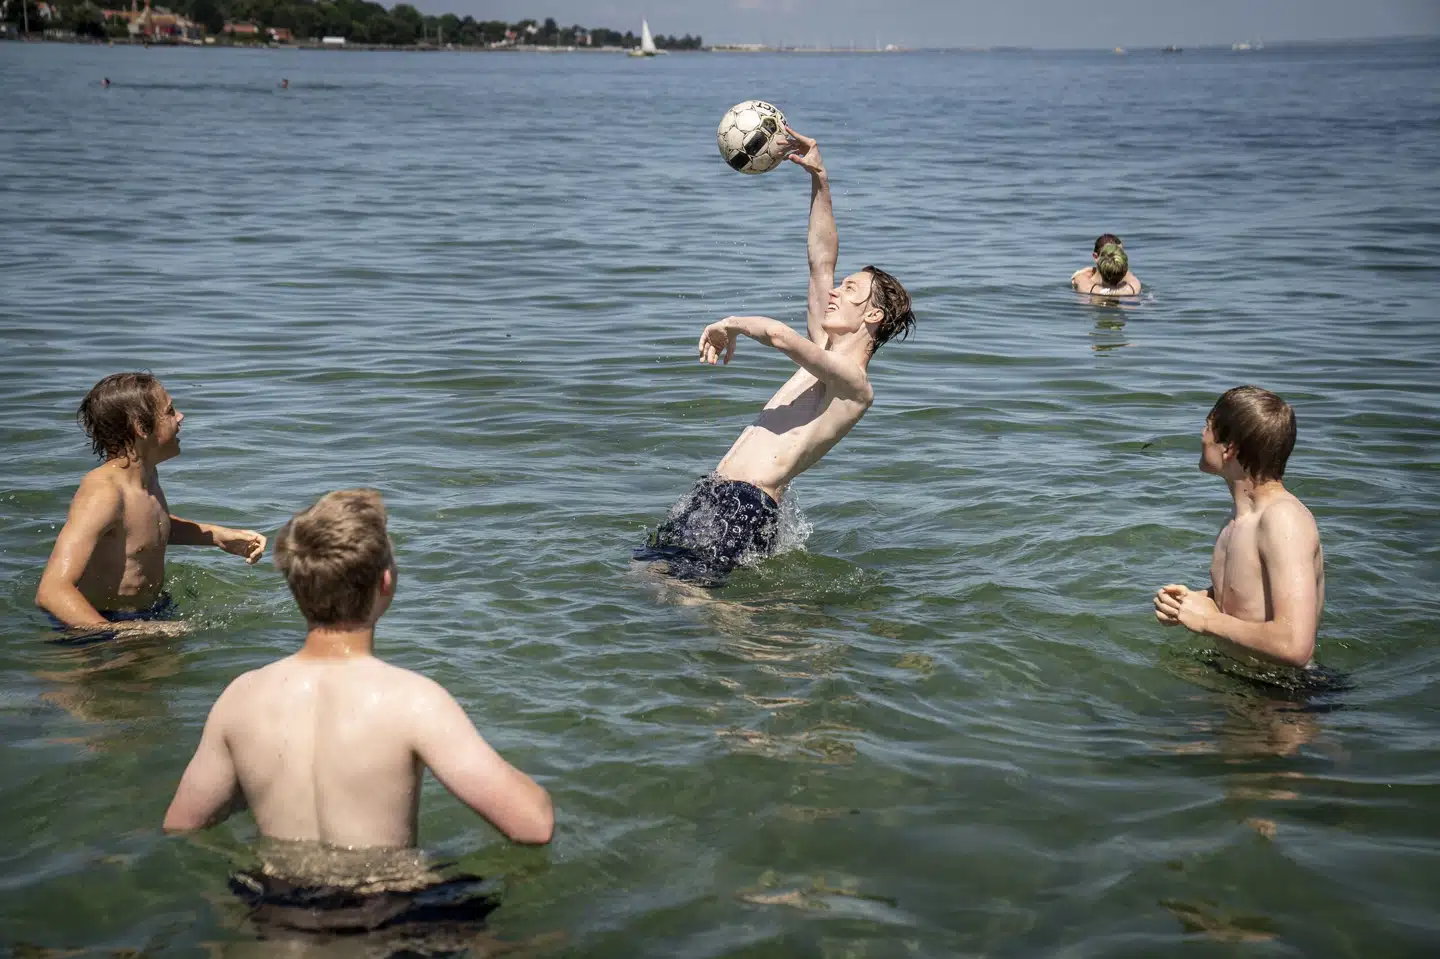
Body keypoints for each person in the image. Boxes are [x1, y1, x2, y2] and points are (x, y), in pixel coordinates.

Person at [163, 488, 554, 852]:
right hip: (383, 907)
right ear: (386, 583)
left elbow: (182, 824)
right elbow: (533, 825)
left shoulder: (241, 698)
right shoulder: (413, 701)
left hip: (273, 905)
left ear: (296, 586)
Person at [633, 125, 915, 584]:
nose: (836, 290)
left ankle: (776, 653)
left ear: (873, 317)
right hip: (717, 491)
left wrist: (731, 323)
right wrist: (819, 178)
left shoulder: (853, 385)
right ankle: (773, 639)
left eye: (850, 290)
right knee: (644, 577)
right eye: (841, 285)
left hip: (745, 502)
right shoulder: (827, 350)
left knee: (690, 597)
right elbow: (821, 258)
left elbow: (781, 337)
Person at [36, 373, 267, 636]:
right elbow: (52, 591)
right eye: (169, 411)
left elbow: (145, 527)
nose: (180, 416)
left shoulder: (146, 475)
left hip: (147, 614)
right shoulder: (104, 493)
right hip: (97, 627)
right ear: (141, 427)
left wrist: (215, 536)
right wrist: (124, 631)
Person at [1154, 386, 1325, 669]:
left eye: (1207, 427)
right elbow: (1249, 597)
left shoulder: (1283, 519)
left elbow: (1295, 645)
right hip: (1239, 678)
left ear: (1229, 447)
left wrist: (1208, 620)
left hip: (1285, 699)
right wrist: (1192, 602)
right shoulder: (1239, 518)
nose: (1201, 435)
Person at [1072, 233, 1142, 295]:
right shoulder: (1133, 287)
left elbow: (1079, 280)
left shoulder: (1083, 284)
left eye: (1119, 253)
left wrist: (1080, 275)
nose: (1115, 257)